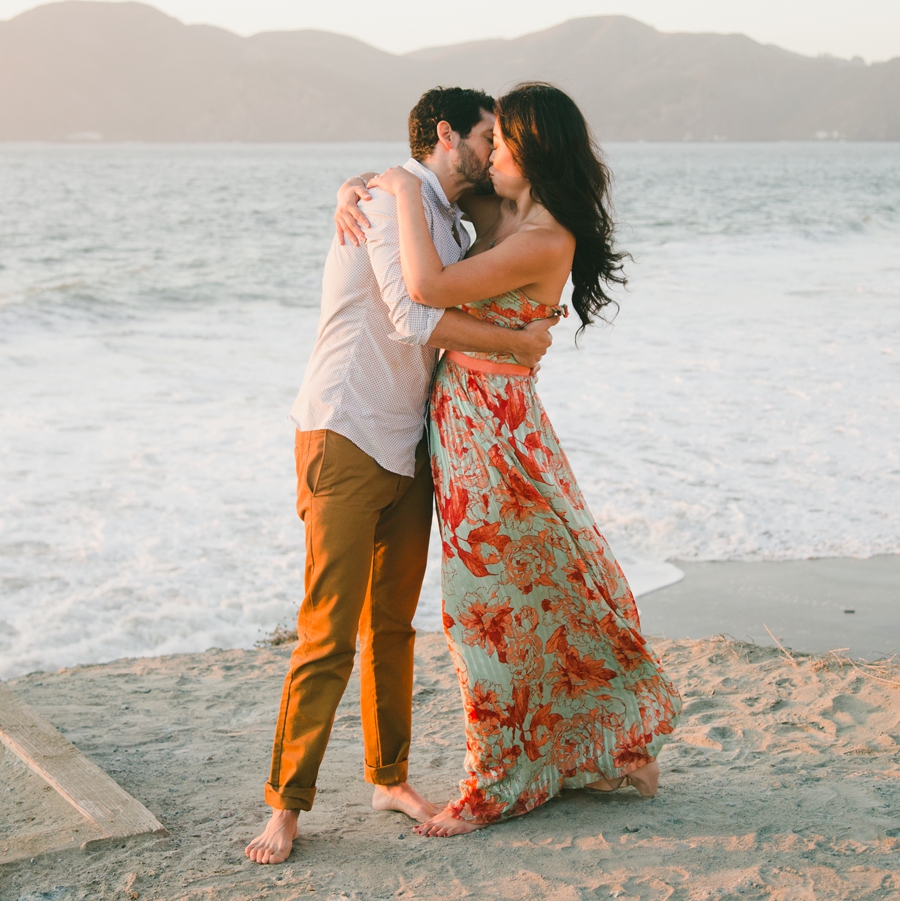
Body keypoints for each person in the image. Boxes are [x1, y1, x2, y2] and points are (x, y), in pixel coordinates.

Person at [336, 82, 682, 837]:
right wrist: (363, 183)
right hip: (464, 422)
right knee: (542, 587)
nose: (492, 152)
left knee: (484, 608)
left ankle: (496, 781)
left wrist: (392, 183)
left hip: (493, 430)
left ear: (536, 152)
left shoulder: (546, 236)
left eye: (505, 143)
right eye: (490, 141)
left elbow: (426, 286)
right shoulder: (500, 214)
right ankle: (614, 750)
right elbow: (433, 192)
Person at [244, 87, 560, 865]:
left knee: (391, 625)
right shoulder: (391, 205)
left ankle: (388, 777)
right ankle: (286, 804)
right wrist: (514, 345)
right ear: (447, 134)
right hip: (346, 430)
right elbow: (415, 315)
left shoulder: (445, 216)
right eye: (487, 136)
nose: (494, 151)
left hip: (408, 440)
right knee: (327, 630)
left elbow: (522, 218)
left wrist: (364, 174)